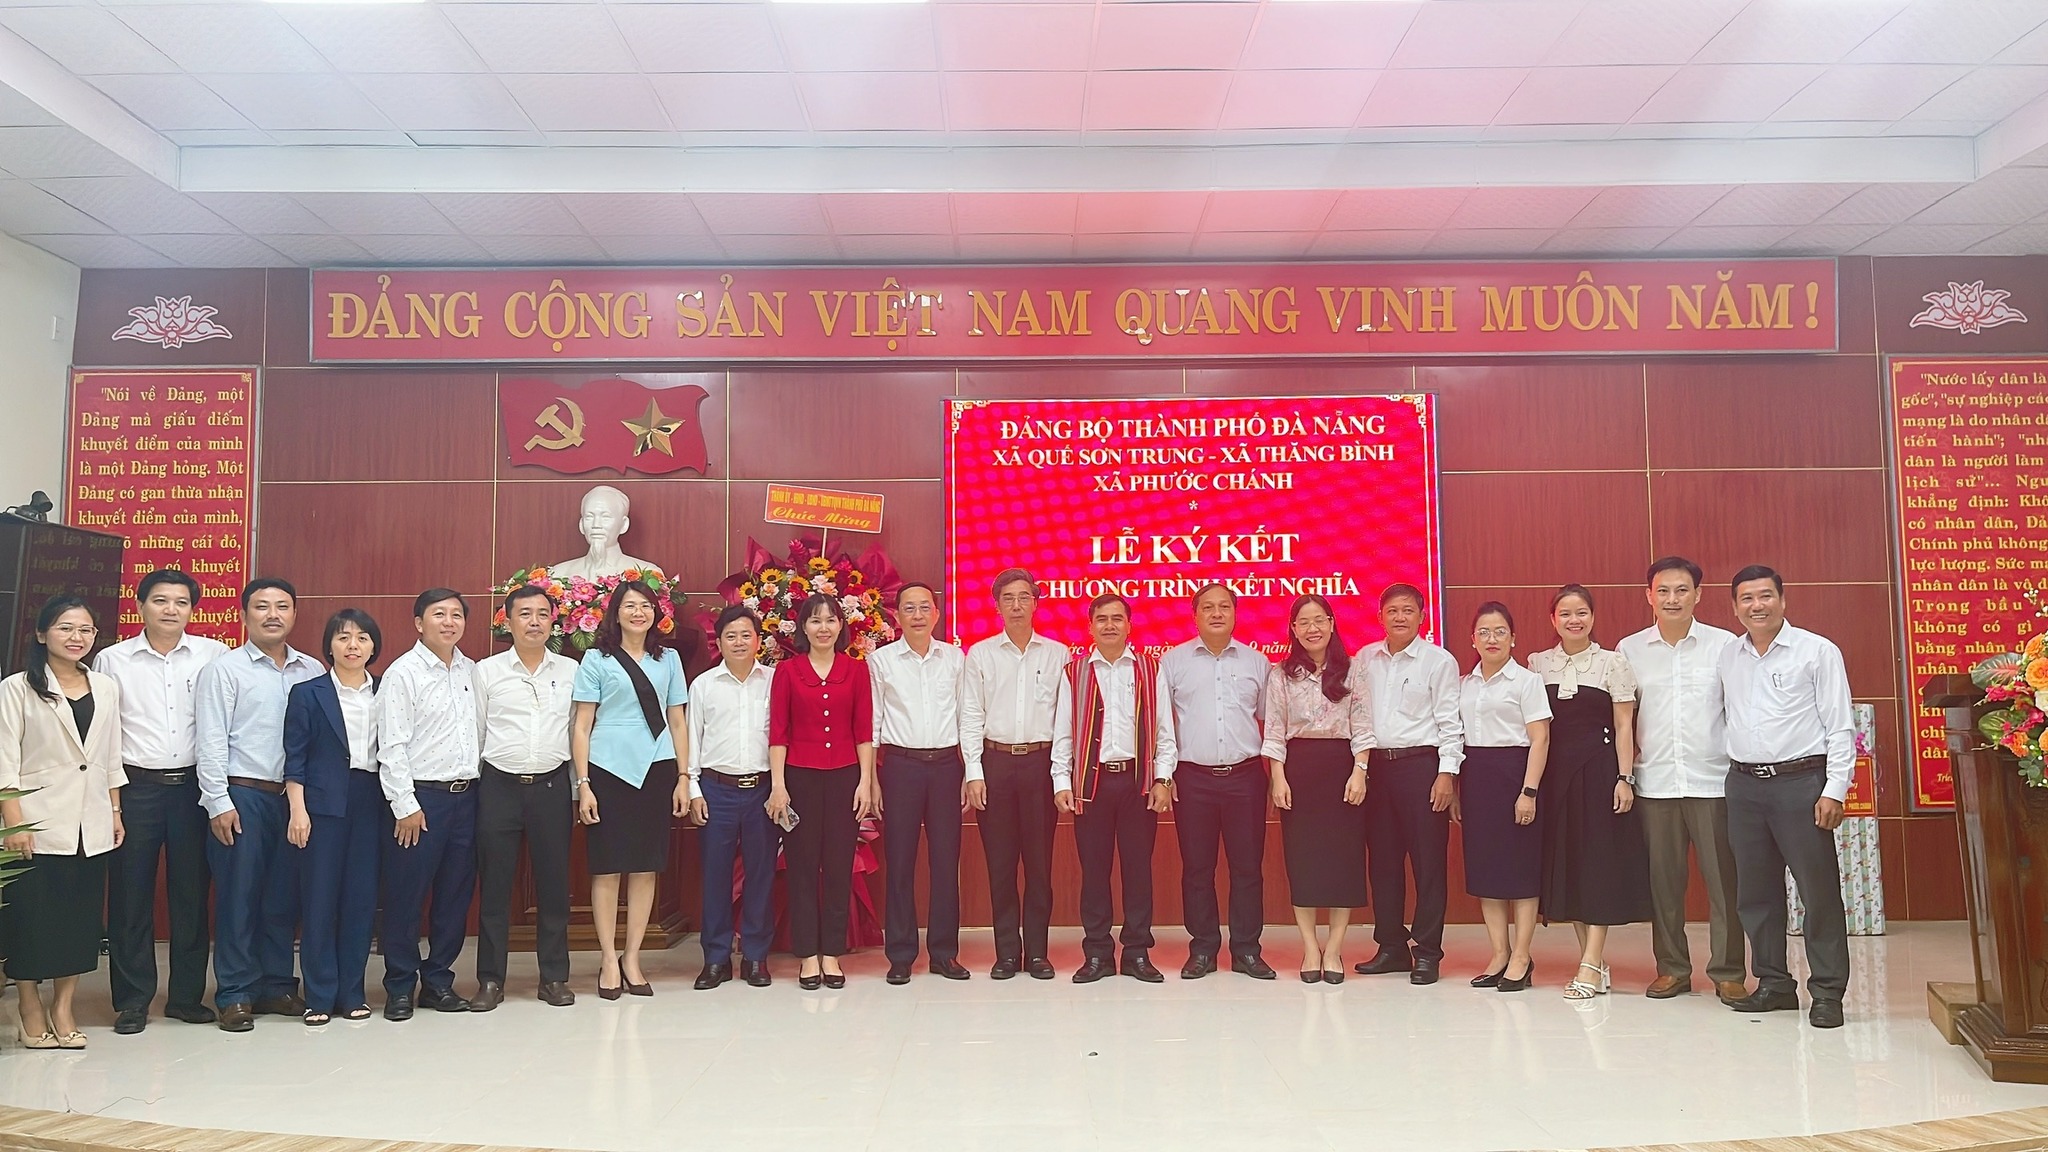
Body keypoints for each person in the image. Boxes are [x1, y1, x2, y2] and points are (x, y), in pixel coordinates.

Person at [1718, 565, 1853, 1030]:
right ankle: (1774, 983)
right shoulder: (1728, 655)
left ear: (1782, 599)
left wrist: (1834, 789)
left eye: (1765, 596)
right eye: (1747, 598)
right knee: (1755, 893)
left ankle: (1828, 992)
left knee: (1818, 892)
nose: (1757, 606)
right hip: (1744, 785)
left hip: (1801, 783)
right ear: (1735, 606)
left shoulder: (1817, 651)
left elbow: (1839, 726)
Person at [96, 569, 228, 1034]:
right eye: (160, 600)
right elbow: (103, 733)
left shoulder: (214, 655)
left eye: (181, 602)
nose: (170, 609)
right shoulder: (112, 660)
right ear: (140, 606)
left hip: (193, 789)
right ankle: (132, 1001)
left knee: (191, 895)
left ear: (192, 609)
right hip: (136, 787)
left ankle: (186, 998)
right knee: (130, 895)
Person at [1617, 556, 1746, 1004]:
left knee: (1724, 884)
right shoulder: (1629, 649)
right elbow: (1622, 718)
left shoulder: (1724, 646)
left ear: (1698, 595)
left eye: (1682, 590)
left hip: (1713, 783)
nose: (1672, 599)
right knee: (1664, 885)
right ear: (1649, 596)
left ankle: (1728, 972)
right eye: (1663, 591)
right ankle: (1672, 968)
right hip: (1655, 784)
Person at [196, 577, 322, 1032]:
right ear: (244, 614)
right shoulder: (225, 669)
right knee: (239, 897)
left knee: (283, 897)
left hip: (295, 800)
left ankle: (276, 986)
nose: (273, 614)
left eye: (282, 606)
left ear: (295, 614)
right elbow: (210, 739)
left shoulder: (311, 670)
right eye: (262, 606)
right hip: (243, 795)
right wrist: (217, 801)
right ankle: (235, 993)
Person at [0, 596, 124, 1049]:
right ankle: (29, 1004)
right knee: (31, 919)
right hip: (36, 820)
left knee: (78, 919)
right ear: (41, 634)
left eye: (86, 630)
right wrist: (13, 822)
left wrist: (115, 811)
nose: (77, 637)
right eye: (65, 628)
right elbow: (4, 758)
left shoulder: (105, 686)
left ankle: (64, 1006)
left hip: (90, 821)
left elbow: (110, 754)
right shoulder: (16, 688)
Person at [1527, 584, 1653, 1001]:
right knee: (1572, 868)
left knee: (1597, 866)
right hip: (1555, 778)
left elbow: (1623, 725)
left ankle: (1590, 963)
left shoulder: (1612, 663)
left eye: (1581, 612)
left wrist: (1624, 777)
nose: (1574, 620)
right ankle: (1593, 960)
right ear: (1553, 619)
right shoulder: (1537, 664)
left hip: (1599, 775)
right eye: (1565, 613)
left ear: (1593, 617)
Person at [572, 580, 690, 999]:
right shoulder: (595, 659)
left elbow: (678, 721)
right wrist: (583, 784)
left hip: (656, 769)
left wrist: (683, 776)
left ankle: (632, 957)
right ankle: (608, 958)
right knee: (607, 867)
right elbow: (582, 725)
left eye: (646, 606)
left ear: (656, 613)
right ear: (616, 613)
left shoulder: (669, 659)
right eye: (629, 606)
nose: (638, 613)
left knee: (644, 867)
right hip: (607, 769)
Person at [1053, 594, 1176, 985]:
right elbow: (1064, 732)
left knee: (1138, 871)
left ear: (1129, 625)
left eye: (1117, 618)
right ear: (1090, 626)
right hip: (1091, 785)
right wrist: (1061, 781)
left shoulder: (1150, 669)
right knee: (1094, 872)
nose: (1109, 625)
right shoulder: (1074, 672)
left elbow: (1164, 731)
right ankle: (1097, 954)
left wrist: (1163, 779)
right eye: (1102, 619)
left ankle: (1137, 953)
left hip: (1138, 784)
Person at [376, 589, 483, 1020]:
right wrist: (405, 804)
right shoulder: (403, 673)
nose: (449, 622)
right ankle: (400, 986)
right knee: (406, 896)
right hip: (421, 800)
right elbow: (391, 745)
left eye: (457, 614)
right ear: (419, 623)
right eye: (439, 614)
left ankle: (439, 982)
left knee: (455, 896)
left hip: (467, 798)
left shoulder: (471, 671)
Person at [473, 585, 580, 1010]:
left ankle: (553, 977)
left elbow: (577, 730)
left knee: (554, 887)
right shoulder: (487, 671)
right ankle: (490, 980)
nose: (534, 621)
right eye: (524, 614)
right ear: (508, 620)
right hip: (498, 787)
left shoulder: (571, 670)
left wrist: (578, 789)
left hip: (552, 787)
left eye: (542, 613)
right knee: (495, 887)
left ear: (553, 621)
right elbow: (477, 730)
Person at [1161, 583, 1275, 980]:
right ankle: (1203, 949)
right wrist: (1164, 775)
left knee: (1248, 868)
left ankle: (1246, 950)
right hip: (1192, 779)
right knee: (1197, 869)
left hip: (1246, 777)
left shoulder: (1257, 662)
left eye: (1224, 606)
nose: (1216, 613)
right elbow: (1162, 726)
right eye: (1207, 607)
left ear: (1235, 613)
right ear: (1194, 615)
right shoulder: (1173, 663)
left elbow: (1270, 720)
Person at [767, 593, 880, 989]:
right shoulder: (788, 671)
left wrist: (865, 781)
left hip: (845, 778)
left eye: (830, 620)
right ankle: (807, 956)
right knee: (800, 868)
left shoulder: (856, 670)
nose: (823, 628)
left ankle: (831, 953)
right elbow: (778, 732)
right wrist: (778, 785)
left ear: (841, 626)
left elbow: (863, 731)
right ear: (803, 627)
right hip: (799, 779)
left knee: (837, 867)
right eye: (815, 620)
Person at [1354, 583, 1463, 985]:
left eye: (1408, 610)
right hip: (1377, 770)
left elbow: (1450, 722)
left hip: (1422, 768)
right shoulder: (1365, 659)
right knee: (1383, 863)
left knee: (1428, 864)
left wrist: (1446, 774)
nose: (1400, 617)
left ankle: (1428, 952)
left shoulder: (1439, 661)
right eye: (1392, 610)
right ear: (1380, 617)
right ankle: (1391, 947)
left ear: (1421, 617)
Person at [959, 568, 1065, 980]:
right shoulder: (980, 654)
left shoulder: (1058, 655)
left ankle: (1037, 952)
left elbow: (1065, 722)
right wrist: (974, 771)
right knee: (1000, 864)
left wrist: (1061, 777)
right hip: (996, 764)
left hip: (1041, 765)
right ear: (997, 606)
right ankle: (1006, 953)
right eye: (1008, 598)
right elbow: (971, 715)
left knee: (1040, 865)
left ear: (1036, 603)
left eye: (1024, 597)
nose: (1017, 605)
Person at [1263, 594, 1371, 983]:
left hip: (1343, 770)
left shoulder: (1353, 669)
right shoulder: (1281, 674)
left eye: (1319, 620)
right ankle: (1311, 948)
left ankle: (1335, 949)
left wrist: (1360, 771)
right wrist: (1278, 777)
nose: (1312, 628)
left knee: (1344, 862)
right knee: (1303, 862)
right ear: (1293, 629)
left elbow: (1363, 725)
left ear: (1331, 623)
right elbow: (1274, 730)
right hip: (1299, 771)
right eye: (1303, 622)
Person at [283, 609, 383, 1026]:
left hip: (371, 803)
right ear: (329, 646)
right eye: (343, 637)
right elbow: (295, 757)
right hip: (321, 805)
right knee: (320, 899)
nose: (352, 645)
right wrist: (298, 810)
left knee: (360, 901)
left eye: (362, 638)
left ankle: (352, 992)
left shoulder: (386, 691)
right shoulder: (308, 693)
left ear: (373, 646)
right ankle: (319, 995)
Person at [867, 583, 971, 984]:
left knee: (946, 862)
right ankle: (900, 954)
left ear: (936, 614)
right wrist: (872, 780)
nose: (917, 615)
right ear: (897, 615)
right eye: (908, 608)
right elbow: (873, 725)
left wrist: (968, 771)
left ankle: (944, 953)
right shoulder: (881, 661)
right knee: (900, 862)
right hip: (900, 768)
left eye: (924, 607)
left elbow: (966, 717)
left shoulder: (955, 658)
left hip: (946, 767)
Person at [1457, 603, 1551, 994]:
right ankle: (1499, 953)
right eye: (1484, 632)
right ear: (1473, 640)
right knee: (1487, 872)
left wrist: (1529, 791)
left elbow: (1540, 738)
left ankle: (1522, 956)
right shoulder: (1464, 683)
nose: (1491, 639)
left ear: (1513, 638)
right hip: (1476, 778)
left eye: (1500, 632)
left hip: (1515, 776)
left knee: (1521, 872)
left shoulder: (1527, 681)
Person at [687, 606, 778, 990]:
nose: (739, 642)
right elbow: (692, 738)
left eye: (746, 635)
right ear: (719, 642)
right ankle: (716, 959)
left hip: (763, 791)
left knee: (761, 875)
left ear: (758, 640)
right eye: (731, 636)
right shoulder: (704, 685)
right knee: (715, 876)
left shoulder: (774, 681)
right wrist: (693, 789)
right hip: (716, 790)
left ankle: (756, 956)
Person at [550, 485, 659, 581]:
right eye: (589, 517)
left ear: (624, 525)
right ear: (581, 524)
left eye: (605, 517)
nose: (596, 524)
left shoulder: (647, 574)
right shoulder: (558, 574)